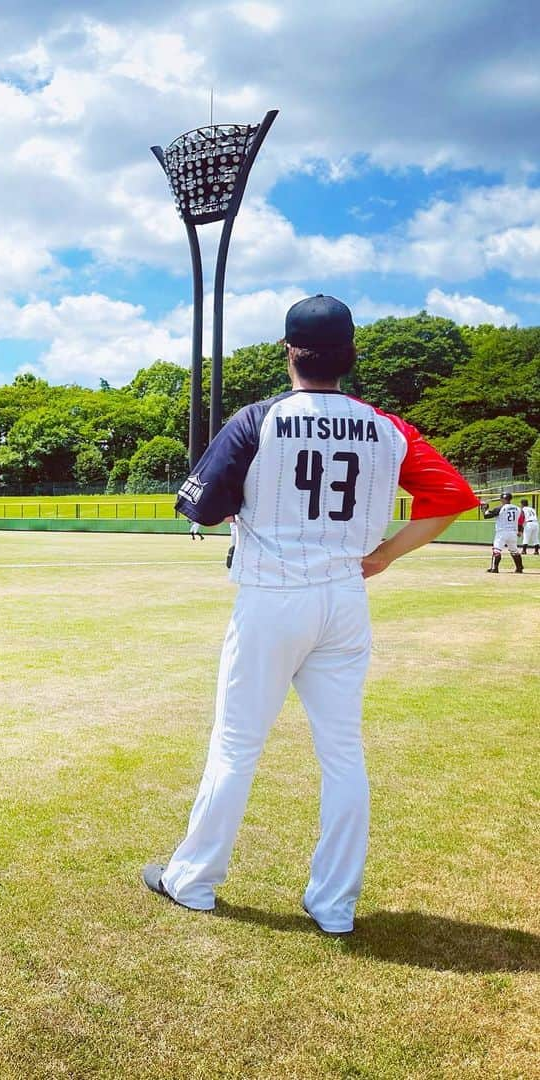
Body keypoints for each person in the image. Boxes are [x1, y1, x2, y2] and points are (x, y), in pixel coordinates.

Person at [142, 295, 477, 935]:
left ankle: (194, 881)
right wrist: (384, 555)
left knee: (237, 746)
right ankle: (335, 904)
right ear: (350, 356)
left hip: (272, 597)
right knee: (343, 753)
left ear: (288, 351)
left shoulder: (258, 419)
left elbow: (202, 510)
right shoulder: (386, 426)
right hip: (345, 598)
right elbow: (451, 498)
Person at [482, 492, 523, 573]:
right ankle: (519, 568)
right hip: (513, 532)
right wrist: (520, 530)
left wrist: (484, 508)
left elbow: (486, 515)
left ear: (503, 499)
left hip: (502, 532)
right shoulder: (517, 508)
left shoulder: (500, 508)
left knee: (497, 550)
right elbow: (520, 521)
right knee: (514, 551)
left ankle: (495, 568)